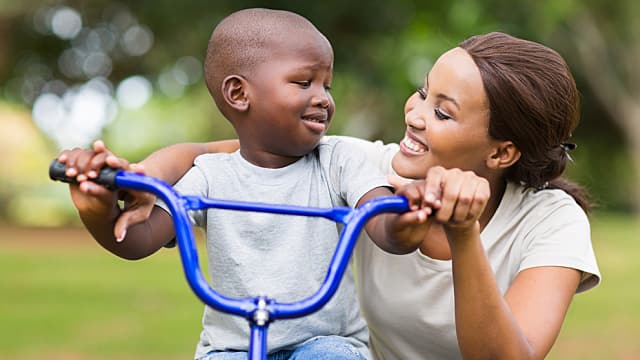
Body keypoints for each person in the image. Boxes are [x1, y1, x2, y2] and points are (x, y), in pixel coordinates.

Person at [60, 32, 601, 359]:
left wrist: (463, 234)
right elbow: (217, 149)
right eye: (422, 91)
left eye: (442, 111)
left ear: (502, 154)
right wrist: (138, 182)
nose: (414, 113)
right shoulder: (361, 162)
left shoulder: (551, 222)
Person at [57, 8, 432, 360]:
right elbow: (138, 240)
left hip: (325, 345)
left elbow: (383, 225)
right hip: (231, 348)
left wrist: (405, 220)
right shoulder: (209, 176)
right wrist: (97, 211)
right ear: (239, 94)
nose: (322, 98)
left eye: (326, 86)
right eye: (304, 82)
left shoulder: (337, 161)